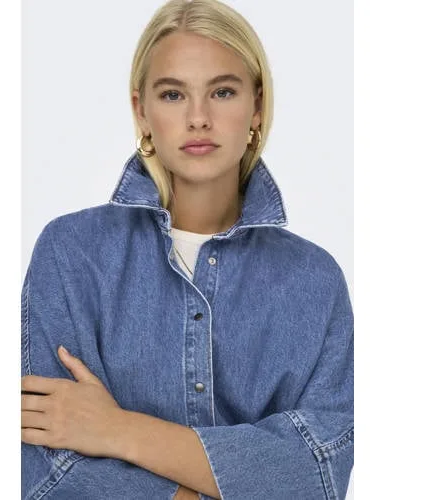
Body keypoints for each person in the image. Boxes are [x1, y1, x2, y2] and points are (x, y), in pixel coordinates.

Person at [21, 0, 354, 498]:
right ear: (142, 111)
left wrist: (117, 429)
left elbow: (318, 473)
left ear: (257, 106)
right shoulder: (72, 255)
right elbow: (45, 473)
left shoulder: (314, 281)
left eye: (222, 91)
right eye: (173, 94)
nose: (198, 118)